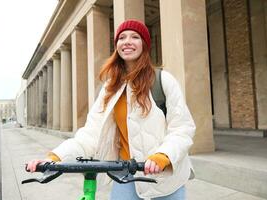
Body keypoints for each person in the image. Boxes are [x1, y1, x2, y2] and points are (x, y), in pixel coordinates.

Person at [27, 19, 196, 200]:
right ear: (117, 46)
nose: (127, 41)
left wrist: (163, 156)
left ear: (144, 45)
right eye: (122, 37)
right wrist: (55, 158)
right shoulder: (111, 88)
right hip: (124, 175)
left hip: (165, 180)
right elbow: (91, 134)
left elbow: (182, 128)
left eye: (135, 37)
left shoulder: (163, 80)